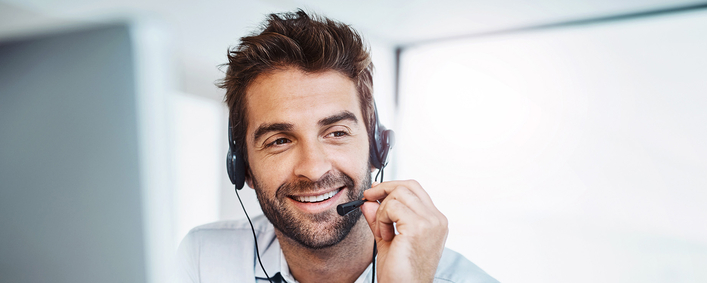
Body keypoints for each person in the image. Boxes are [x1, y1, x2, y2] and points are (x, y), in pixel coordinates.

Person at [177, 10, 498, 283]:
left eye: (336, 133)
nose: (314, 168)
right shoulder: (205, 259)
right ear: (242, 166)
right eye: (280, 140)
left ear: (377, 148)